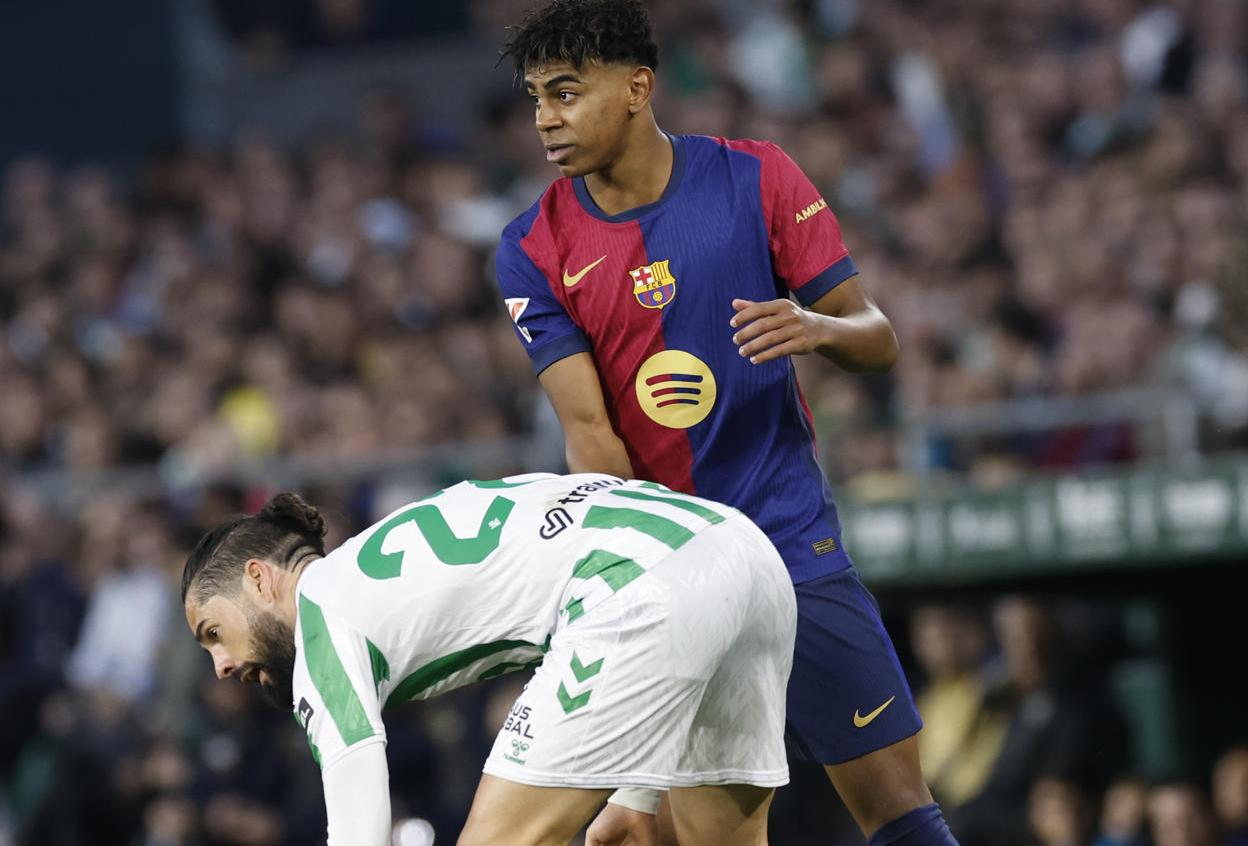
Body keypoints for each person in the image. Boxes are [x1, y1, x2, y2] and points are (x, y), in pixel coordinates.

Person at [491, 3, 950, 845]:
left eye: (564, 92)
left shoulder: (758, 177)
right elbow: (591, 440)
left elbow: (876, 338)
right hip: (677, 579)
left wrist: (818, 330)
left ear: (637, 87)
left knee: (899, 812)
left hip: (791, 545)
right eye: (534, 98)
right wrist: (647, 586)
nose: (543, 120)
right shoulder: (530, 248)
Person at [178, 474, 800, 845]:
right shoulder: (377, 563)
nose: (222, 666)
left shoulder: (319, 621)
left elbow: (360, 828)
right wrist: (634, 792)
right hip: (736, 547)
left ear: (260, 580)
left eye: (213, 631)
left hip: (635, 587)